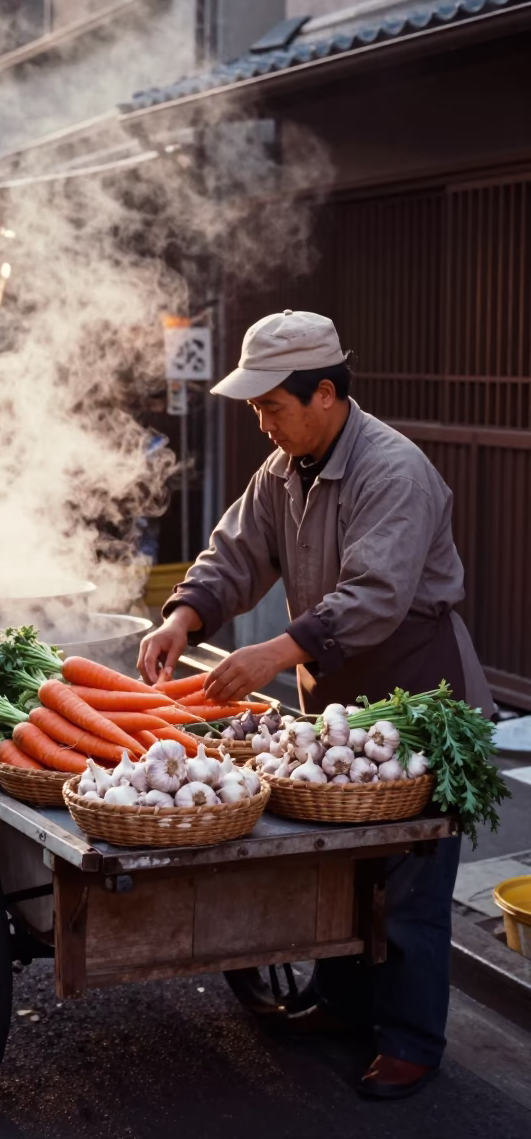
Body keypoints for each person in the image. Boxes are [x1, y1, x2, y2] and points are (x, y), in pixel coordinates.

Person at [138, 309, 493, 1101]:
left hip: (416, 693)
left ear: (326, 393)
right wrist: (183, 615)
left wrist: (272, 653)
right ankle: (339, 1004)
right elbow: (236, 551)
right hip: (337, 701)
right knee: (340, 864)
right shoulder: (285, 467)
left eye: (272, 407)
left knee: (409, 879)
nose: (263, 424)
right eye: (257, 409)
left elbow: (374, 597)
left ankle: (409, 1042)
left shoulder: (390, 469)